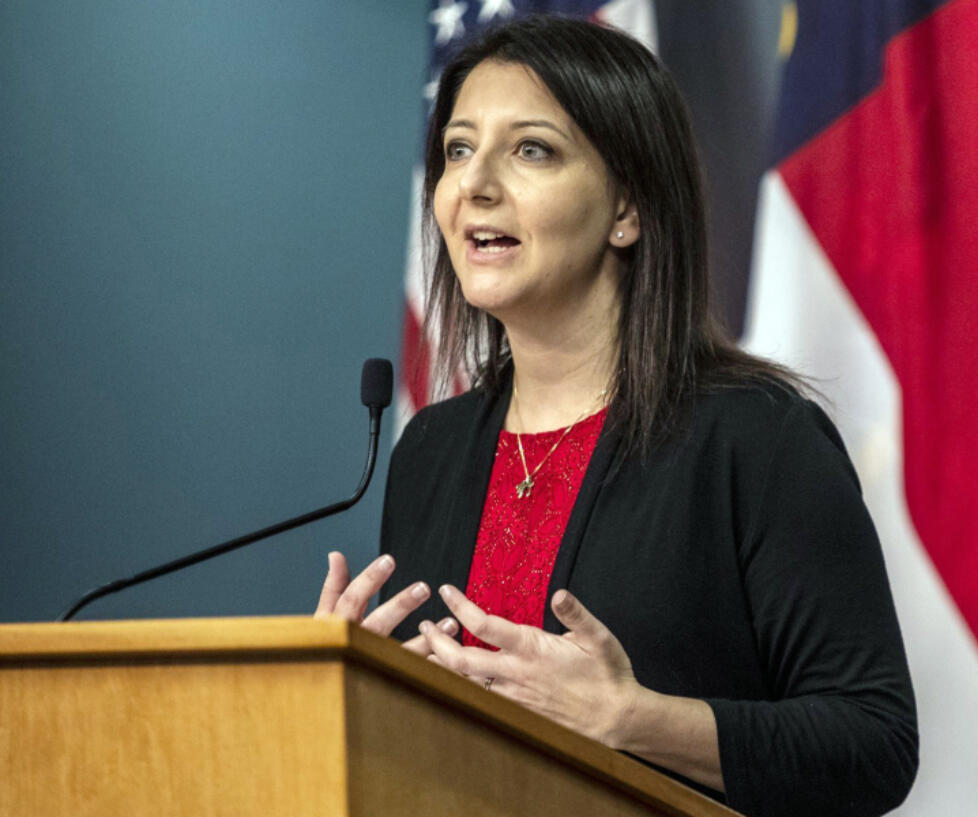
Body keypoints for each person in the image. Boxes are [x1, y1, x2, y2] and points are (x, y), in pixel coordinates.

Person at [314, 16, 917, 817]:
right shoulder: (433, 446)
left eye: (531, 149)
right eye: (458, 149)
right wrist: (346, 680)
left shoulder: (755, 435)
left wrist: (633, 720)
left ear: (627, 207)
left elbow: (874, 743)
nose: (474, 184)